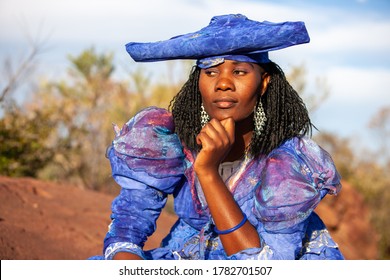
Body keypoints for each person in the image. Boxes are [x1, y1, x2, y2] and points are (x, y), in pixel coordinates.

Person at [91, 14, 344, 260]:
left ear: (264, 82)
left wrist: (208, 171)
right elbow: (126, 233)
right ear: (198, 80)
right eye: (211, 72)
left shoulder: (286, 164)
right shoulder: (170, 143)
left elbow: (265, 266)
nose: (223, 83)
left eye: (240, 72)